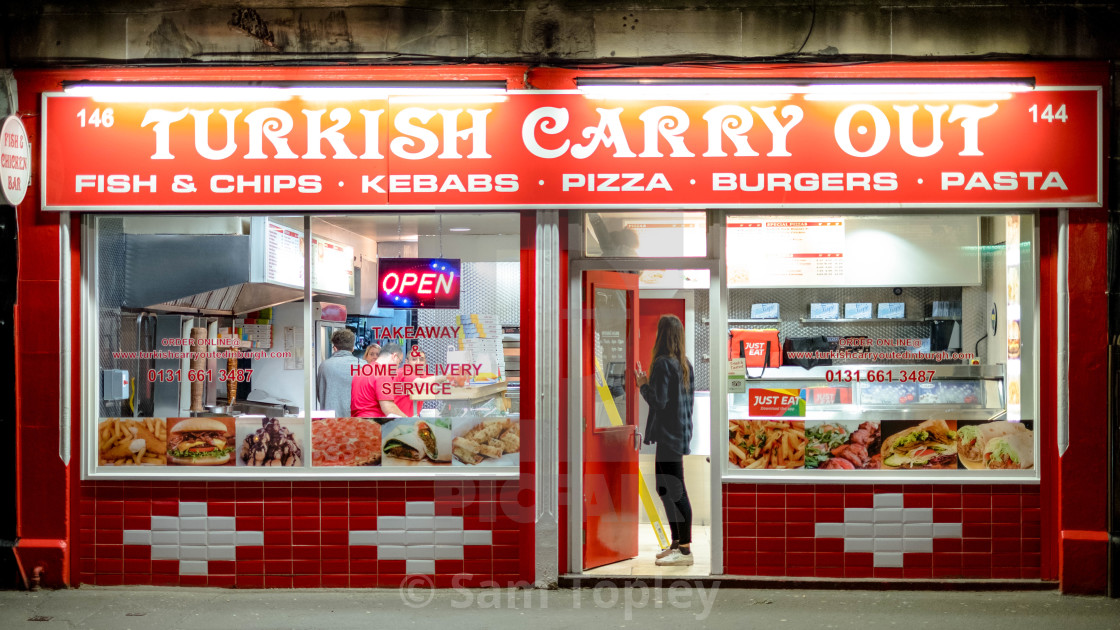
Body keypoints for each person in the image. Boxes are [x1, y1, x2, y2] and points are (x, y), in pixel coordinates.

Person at [635, 314, 695, 567]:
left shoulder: (661, 364)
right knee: (665, 489)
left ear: (661, 335)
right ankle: (676, 543)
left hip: (669, 436)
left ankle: (684, 550)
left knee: (674, 490)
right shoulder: (685, 364)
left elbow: (658, 401)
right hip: (679, 433)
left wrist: (642, 385)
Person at [315, 329, 364, 418]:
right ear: (352, 348)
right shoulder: (363, 366)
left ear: (335, 348)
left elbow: (320, 395)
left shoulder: (324, 366)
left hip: (330, 422)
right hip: (356, 421)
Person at [350, 342, 406, 420]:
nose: (397, 367)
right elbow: (389, 409)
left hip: (357, 422)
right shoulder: (382, 374)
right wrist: (408, 420)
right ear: (394, 356)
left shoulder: (361, 372)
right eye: (399, 362)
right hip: (374, 424)